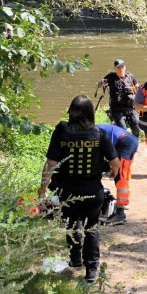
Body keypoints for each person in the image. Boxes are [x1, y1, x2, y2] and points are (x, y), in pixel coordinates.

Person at [38, 95, 119, 283]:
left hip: (68, 190)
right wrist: (113, 173)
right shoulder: (99, 134)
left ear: (71, 111)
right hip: (93, 190)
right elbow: (115, 161)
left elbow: (51, 163)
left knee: (72, 223)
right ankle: (92, 270)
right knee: (92, 227)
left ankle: (75, 258)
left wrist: (42, 189)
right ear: (91, 113)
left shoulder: (61, 131)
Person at [97, 123, 139, 225]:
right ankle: (124, 204)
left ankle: (120, 214)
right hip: (130, 140)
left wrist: (112, 168)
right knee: (124, 174)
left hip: (125, 143)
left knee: (120, 177)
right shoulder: (96, 128)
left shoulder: (94, 132)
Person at [96, 59, 140, 138]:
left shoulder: (130, 76)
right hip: (116, 108)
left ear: (125, 67)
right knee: (122, 129)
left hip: (130, 107)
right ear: (114, 68)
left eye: (122, 67)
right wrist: (101, 84)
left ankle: (134, 143)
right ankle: (123, 144)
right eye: (118, 67)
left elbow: (137, 87)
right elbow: (98, 85)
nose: (120, 69)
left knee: (136, 129)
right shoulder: (110, 77)